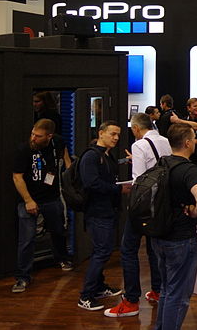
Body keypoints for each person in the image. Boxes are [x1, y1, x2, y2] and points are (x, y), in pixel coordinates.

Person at [104, 112, 172, 317]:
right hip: (161, 204)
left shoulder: (139, 145)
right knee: (154, 249)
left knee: (128, 250)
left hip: (142, 207)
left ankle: (131, 300)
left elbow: (139, 180)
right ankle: (158, 291)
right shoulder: (165, 141)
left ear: (135, 128)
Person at [152, 123, 197, 329]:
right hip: (181, 238)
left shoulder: (162, 163)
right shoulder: (188, 169)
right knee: (179, 295)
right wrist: (196, 212)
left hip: (160, 236)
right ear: (187, 143)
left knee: (167, 289)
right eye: (193, 138)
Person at [12, 119, 73, 293]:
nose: (33, 138)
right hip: (29, 199)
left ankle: (62, 258)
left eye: (38, 136)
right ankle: (23, 277)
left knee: (58, 230)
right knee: (27, 239)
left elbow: (66, 160)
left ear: (49, 136)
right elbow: (17, 177)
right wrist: (28, 200)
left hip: (51, 198)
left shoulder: (58, 142)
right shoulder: (24, 149)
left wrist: (69, 177)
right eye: (32, 134)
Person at [78, 121, 125, 311]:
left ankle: (98, 287)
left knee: (102, 251)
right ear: (101, 133)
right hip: (98, 212)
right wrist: (118, 189)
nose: (116, 138)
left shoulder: (106, 155)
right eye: (112, 134)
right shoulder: (91, 156)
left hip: (107, 210)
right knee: (102, 252)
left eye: (118, 134)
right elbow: (91, 183)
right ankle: (86, 296)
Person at [185, 97, 197, 165]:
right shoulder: (183, 121)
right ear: (189, 108)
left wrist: (196, 141)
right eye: (195, 106)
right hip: (186, 156)